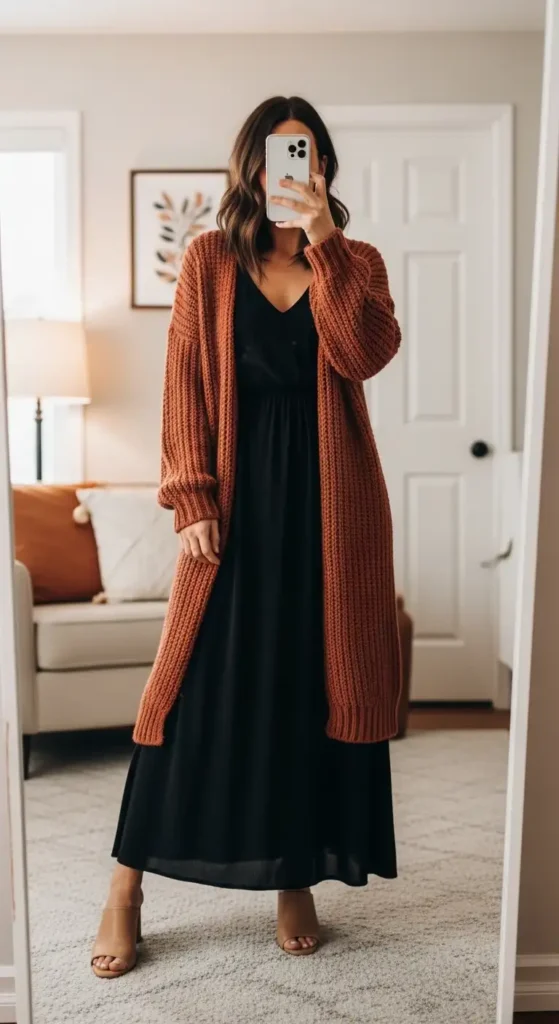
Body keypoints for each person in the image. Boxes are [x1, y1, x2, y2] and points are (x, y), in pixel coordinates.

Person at [91, 95, 402, 978]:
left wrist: (324, 246)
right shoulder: (206, 262)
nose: (289, 174)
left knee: (310, 692)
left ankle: (292, 875)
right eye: (275, 159)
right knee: (183, 700)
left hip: (329, 517)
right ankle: (126, 887)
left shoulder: (357, 261)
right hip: (231, 514)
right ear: (249, 171)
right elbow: (183, 384)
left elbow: (363, 353)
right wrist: (191, 499)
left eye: (305, 158)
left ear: (323, 171)